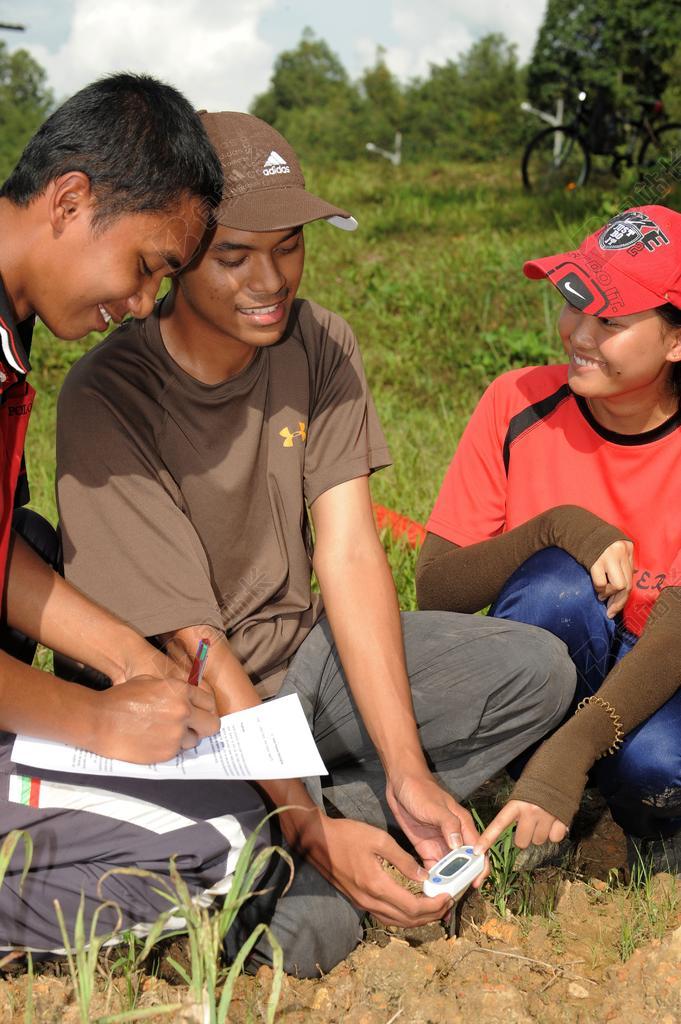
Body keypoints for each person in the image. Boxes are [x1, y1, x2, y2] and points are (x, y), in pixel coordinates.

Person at [56, 111, 576, 977]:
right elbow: (196, 645)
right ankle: (301, 831)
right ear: (178, 256)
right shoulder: (109, 393)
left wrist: (408, 769)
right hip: (188, 717)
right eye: (234, 257)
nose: (272, 280)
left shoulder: (319, 342)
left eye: (289, 246)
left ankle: (347, 811)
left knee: (537, 671)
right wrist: (306, 825)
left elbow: (349, 553)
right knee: (305, 939)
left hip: (301, 669)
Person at [0, 74, 271, 956]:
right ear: (70, 200)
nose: (146, 304)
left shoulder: (13, 322)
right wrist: (93, 721)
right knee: (224, 842)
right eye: (149, 264)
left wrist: (125, 657)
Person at [416, 205, 681, 871]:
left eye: (610, 321)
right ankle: (534, 786)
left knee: (659, 764)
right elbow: (436, 589)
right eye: (573, 303)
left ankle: (635, 820)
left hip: (661, 670)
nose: (578, 334)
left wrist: (576, 744)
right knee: (555, 588)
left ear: (675, 342)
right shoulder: (517, 403)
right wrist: (553, 527)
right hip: (554, 669)